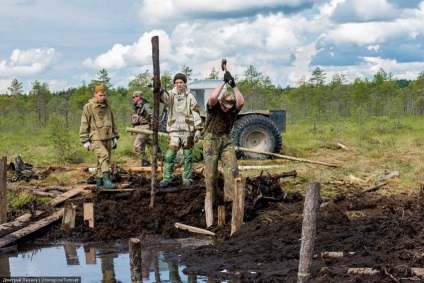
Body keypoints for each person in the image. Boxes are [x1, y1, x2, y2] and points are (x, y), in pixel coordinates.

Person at [203, 70, 245, 227]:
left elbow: (241, 102)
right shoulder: (214, 107)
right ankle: (211, 202)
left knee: (233, 171)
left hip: (225, 140)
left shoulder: (234, 107)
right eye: (225, 106)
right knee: (210, 173)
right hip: (211, 140)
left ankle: (230, 202)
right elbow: (213, 97)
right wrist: (223, 81)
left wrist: (233, 85)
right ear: (221, 102)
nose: (227, 109)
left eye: (230, 106)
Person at [159, 73, 203, 188]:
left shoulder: (190, 97)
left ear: (184, 83)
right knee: (170, 155)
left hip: (187, 130)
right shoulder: (170, 94)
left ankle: (187, 178)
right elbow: (164, 98)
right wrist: (159, 90)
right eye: (177, 82)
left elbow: (196, 112)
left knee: (188, 155)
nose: (179, 85)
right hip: (174, 129)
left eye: (181, 82)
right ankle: (167, 178)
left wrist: (198, 129)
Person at [79, 85, 119, 189]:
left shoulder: (107, 106)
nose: (102, 97)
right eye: (100, 95)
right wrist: (85, 140)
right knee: (104, 156)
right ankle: (107, 181)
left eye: (104, 95)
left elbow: (112, 121)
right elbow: (84, 123)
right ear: (95, 95)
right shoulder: (88, 107)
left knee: (104, 161)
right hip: (95, 137)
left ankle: (99, 183)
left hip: (107, 137)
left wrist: (115, 136)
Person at [131, 90, 153, 166]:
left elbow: (152, 116)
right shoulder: (137, 106)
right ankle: (145, 162)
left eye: (134, 97)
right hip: (140, 127)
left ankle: (145, 161)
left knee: (137, 145)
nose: (133, 99)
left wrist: (153, 129)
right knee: (141, 146)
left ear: (138, 97)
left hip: (145, 127)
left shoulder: (146, 106)